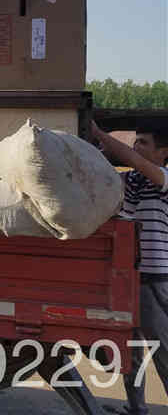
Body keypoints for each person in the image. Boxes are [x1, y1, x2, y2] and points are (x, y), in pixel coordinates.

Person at [91, 122, 168, 414]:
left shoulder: (164, 179)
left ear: (163, 152)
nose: (137, 148)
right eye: (135, 142)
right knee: (130, 351)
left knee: (163, 352)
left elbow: (133, 160)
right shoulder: (131, 181)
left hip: (154, 279)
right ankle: (137, 408)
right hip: (128, 277)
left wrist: (99, 134)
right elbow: (102, 176)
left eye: (144, 143)